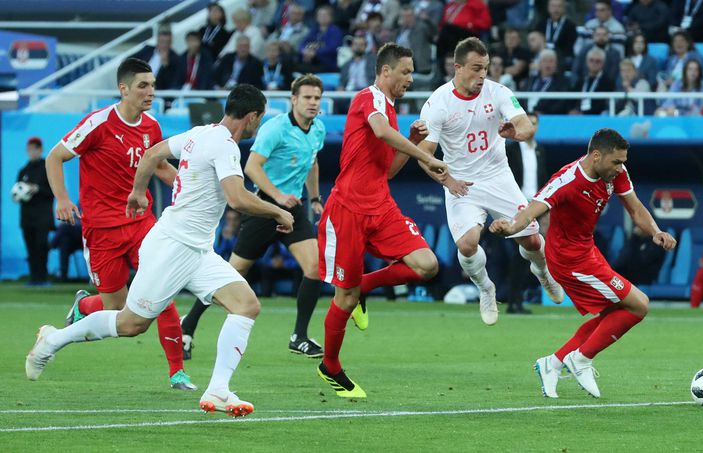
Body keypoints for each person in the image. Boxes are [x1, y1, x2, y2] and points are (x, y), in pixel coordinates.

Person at [26, 84, 295, 417]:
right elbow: (237, 198)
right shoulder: (226, 146)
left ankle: (219, 390)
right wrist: (277, 210)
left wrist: (138, 192)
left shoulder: (200, 133)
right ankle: (52, 340)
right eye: (260, 118)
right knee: (130, 324)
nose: (258, 124)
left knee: (246, 305)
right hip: (172, 247)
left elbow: (153, 154)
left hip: (197, 250)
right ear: (251, 117)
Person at [489, 128, 676, 399]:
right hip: (568, 259)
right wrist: (509, 227)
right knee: (639, 305)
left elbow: (635, 208)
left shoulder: (616, 173)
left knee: (615, 314)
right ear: (597, 155)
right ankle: (581, 359)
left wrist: (655, 231)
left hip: (587, 251)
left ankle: (553, 363)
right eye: (616, 162)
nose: (620, 168)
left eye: (623, 162)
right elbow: (532, 209)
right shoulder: (567, 180)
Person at [44, 58, 195, 391]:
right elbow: (54, 156)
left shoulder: (151, 127)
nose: (150, 91)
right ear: (123, 88)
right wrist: (62, 199)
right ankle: (84, 305)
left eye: (153, 85)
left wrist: (192, 188)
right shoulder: (98, 123)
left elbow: (161, 168)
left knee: (162, 291)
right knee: (117, 307)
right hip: (102, 230)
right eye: (143, 85)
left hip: (142, 223)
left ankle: (177, 371)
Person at [316, 43, 448, 398]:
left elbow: (387, 170)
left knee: (427, 265)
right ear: (386, 71)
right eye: (406, 72)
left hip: (381, 206)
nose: (410, 79)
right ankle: (330, 365)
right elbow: (380, 133)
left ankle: (366, 287)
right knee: (343, 299)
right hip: (348, 210)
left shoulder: (391, 112)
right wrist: (425, 155)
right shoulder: (369, 98)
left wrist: (412, 139)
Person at [418, 37, 563, 326]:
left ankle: (543, 271)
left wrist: (517, 132)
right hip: (462, 183)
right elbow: (424, 154)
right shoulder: (438, 103)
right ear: (458, 68)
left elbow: (524, 122)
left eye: (485, 68)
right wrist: (449, 183)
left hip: (498, 178)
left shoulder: (498, 92)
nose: (482, 74)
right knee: (468, 244)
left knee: (532, 239)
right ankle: (486, 288)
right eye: (476, 68)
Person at [180, 74, 327, 359]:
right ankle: (188, 324)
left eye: (317, 98)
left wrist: (315, 198)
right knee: (232, 273)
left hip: (293, 210)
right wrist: (278, 197)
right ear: (294, 100)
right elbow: (252, 167)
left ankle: (299, 336)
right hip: (264, 208)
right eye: (307, 97)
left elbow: (312, 163)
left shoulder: (318, 129)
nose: (313, 103)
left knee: (314, 267)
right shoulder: (276, 128)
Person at [505, 112, 549, 314]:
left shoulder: (540, 149)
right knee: (517, 255)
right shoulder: (512, 149)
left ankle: (516, 300)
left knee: (526, 255)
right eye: (528, 123)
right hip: (515, 206)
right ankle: (512, 300)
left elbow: (545, 180)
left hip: (535, 207)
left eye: (534, 124)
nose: (531, 127)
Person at [16, 136, 54, 286]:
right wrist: (18, 195)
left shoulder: (47, 168)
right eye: (29, 149)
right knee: (30, 245)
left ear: (40, 149)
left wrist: (36, 189)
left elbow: (52, 191)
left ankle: (43, 277)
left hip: (43, 215)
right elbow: (17, 190)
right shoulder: (23, 170)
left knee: (41, 245)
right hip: (27, 215)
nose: (32, 152)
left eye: (34, 149)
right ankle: (33, 277)